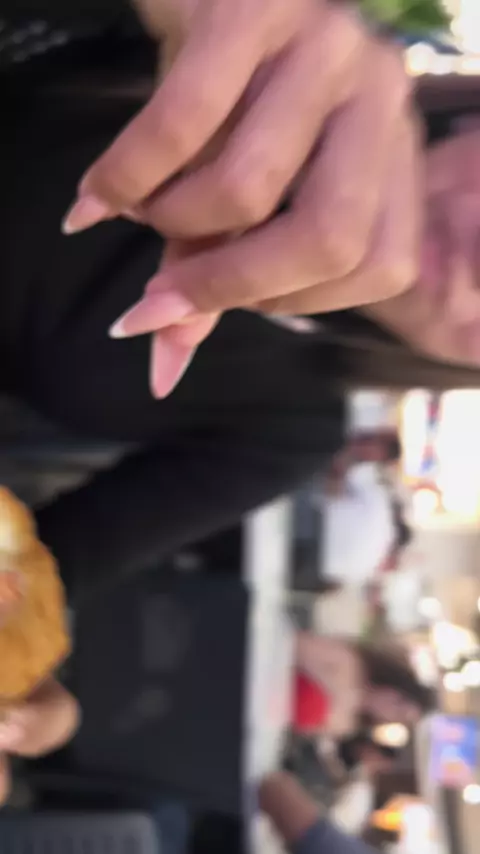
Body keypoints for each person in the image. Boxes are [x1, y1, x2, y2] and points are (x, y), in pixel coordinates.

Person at [293, 636, 435, 738]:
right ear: (397, 685)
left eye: (398, 716)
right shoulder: (348, 663)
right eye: (399, 702)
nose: (391, 709)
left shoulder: (346, 724)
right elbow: (294, 645)